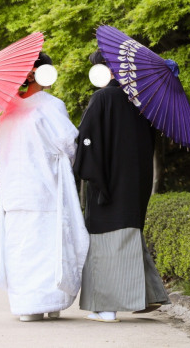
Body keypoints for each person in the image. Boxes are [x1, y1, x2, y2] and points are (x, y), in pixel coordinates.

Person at [72, 50, 171, 323]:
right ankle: (149, 294)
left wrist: (84, 165)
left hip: (109, 183)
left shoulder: (103, 98)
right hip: (135, 183)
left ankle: (106, 307)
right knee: (129, 234)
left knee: (107, 242)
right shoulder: (143, 100)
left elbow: (87, 140)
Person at [0, 52, 89, 322]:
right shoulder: (51, 105)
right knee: (49, 246)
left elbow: (1, 145)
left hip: (15, 189)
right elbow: (68, 143)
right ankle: (52, 303)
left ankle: (27, 307)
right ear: (36, 73)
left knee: (20, 247)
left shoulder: (6, 110)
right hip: (45, 187)